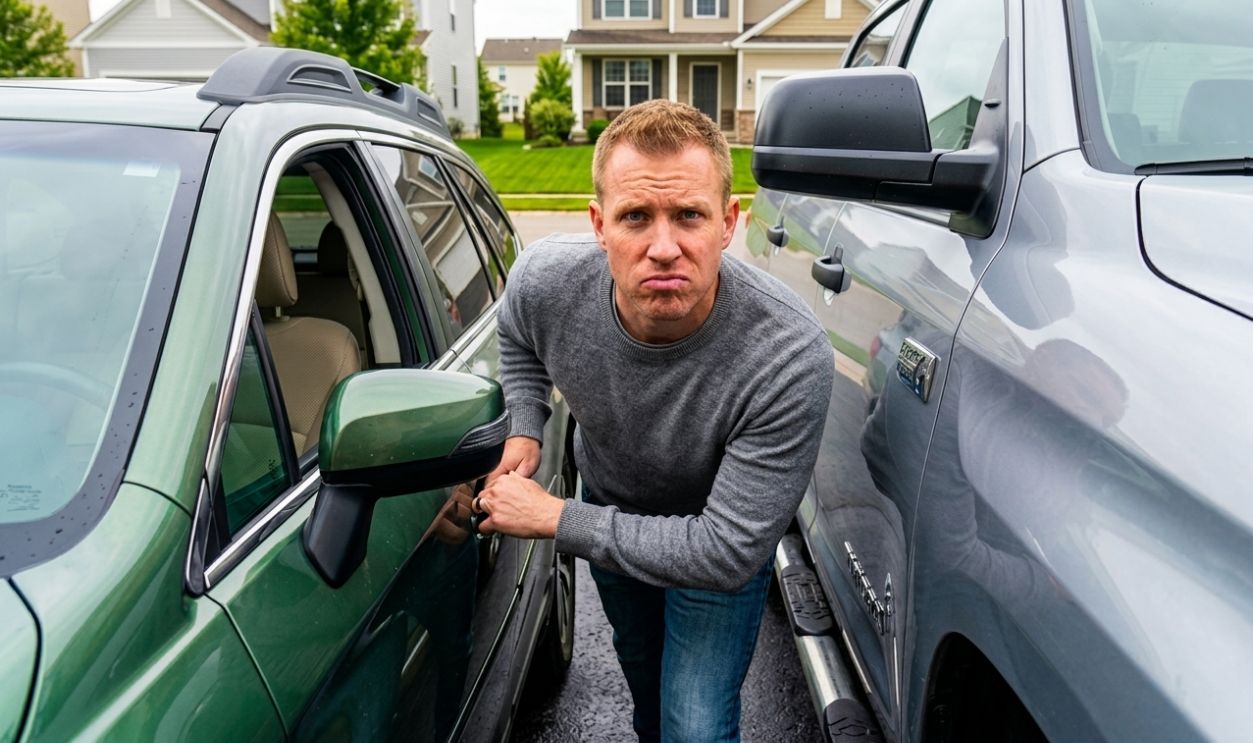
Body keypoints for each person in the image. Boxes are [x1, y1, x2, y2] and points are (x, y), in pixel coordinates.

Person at [472, 100, 833, 742]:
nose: (663, 247)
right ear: (598, 224)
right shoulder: (546, 282)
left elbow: (725, 551)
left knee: (693, 724)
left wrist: (556, 518)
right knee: (645, 687)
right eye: (635, 216)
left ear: (727, 223)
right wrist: (525, 421)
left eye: (688, 215)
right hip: (615, 503)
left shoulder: (786, 354)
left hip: (716, 537)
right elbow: (517, 334)